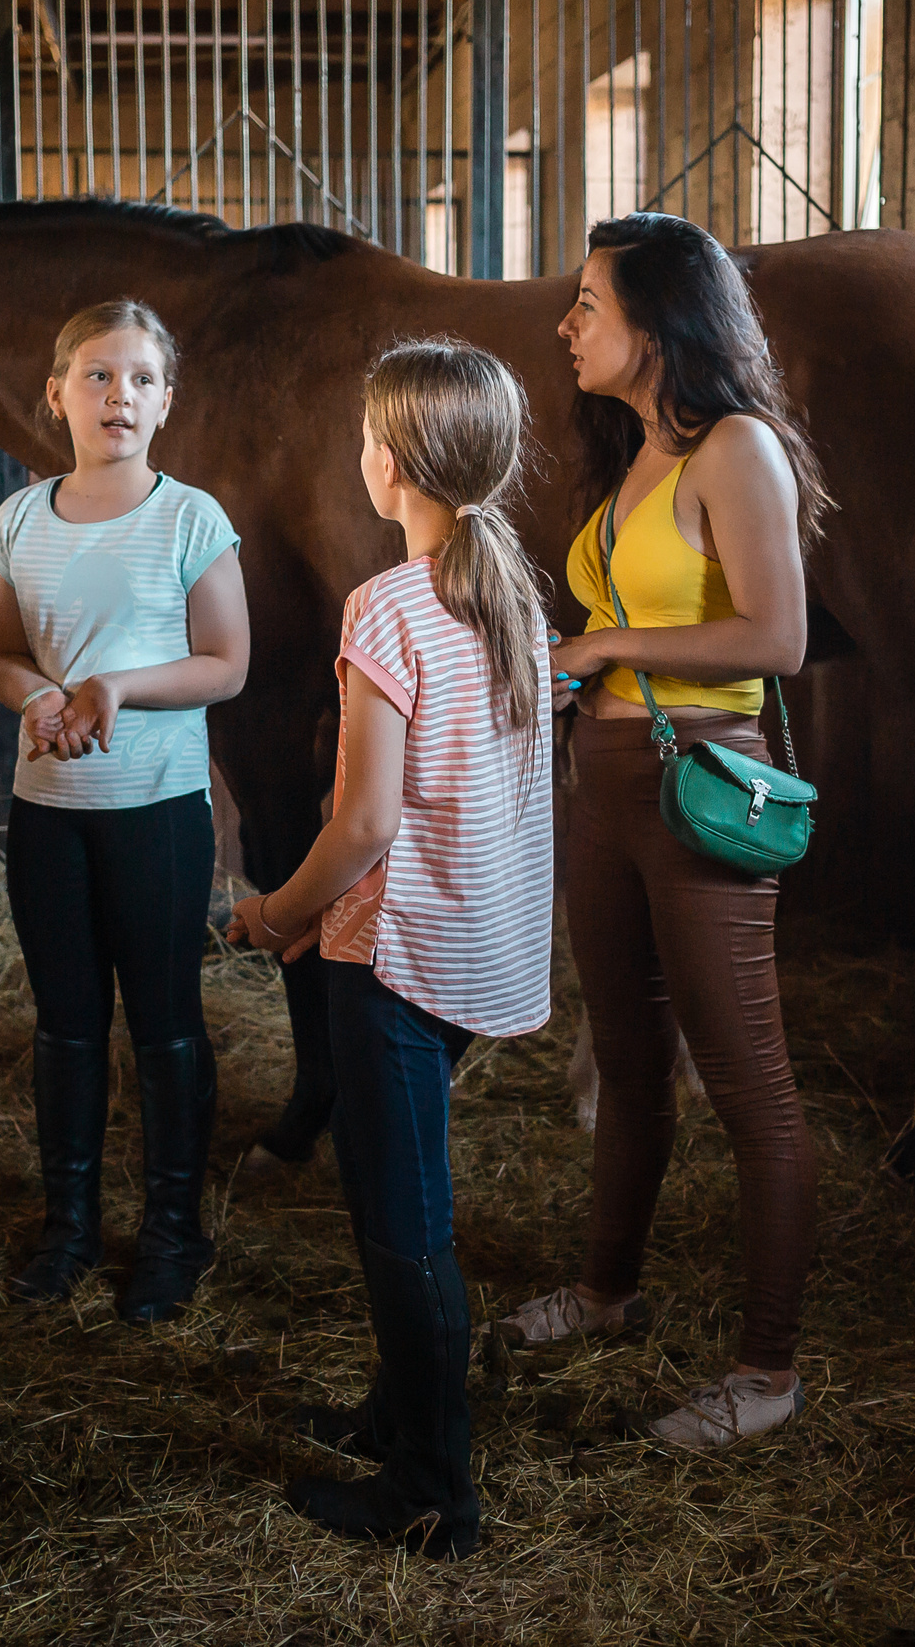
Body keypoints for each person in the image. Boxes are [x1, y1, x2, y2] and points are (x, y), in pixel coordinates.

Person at [490, 212, 832, 1449]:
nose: (567, 325)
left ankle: (766, 1374)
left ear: (661, 319)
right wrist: (573, 676)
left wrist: (611, 645)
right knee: (626, 1065)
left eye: (589, 303)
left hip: (701, 784)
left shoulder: (736, 450)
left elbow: (776, 639)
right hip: (610, 783)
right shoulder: (636, 451)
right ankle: (607, 1292)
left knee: (750, 1088)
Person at [228, 339, 555, 1560]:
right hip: (472, 944)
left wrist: (274, 912)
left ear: (395, 459)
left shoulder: (390, 606)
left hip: (394, 955)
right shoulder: (507, 593)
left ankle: (433, 1491)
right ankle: (398, 1413)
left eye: (369, 435)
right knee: (387, 1191)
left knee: (403, 1224)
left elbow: (364, 824)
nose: (359, 454)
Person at [0, 299, 249, 1324]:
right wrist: (36, 696)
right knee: (67, 1027)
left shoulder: (189, 518)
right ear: (56, 395)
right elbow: (1, 652)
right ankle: (70, 1230)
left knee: (167, 1025)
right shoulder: (15, 522)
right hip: (48, 809)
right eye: (97, 376)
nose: (118, 396)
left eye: (140, 379)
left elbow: (228, 664)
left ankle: (175, 1236)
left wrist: (120, 688)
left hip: (156, 810)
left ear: (166, 402)